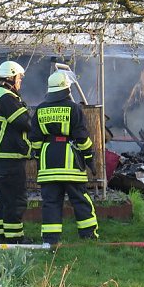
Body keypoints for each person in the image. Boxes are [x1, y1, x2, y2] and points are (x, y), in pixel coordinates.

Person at [30, 70, 98, 246]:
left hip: (48, 162)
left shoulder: (40, 109)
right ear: (67, 88)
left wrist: (39, 159)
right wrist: (89, 159)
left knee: (51, 202)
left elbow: (35, 141)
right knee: (80, 199)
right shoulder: (74, 108)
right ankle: (88, 236)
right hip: (70, 163)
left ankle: (50, 240)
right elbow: (82, 138)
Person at [0, 61, 32, 243]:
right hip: (9, 156)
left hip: (5, 156)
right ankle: (15, 239)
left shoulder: (4, 95)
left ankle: (4, 234)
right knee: (16, 198)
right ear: (11, 77)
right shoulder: (7, 97)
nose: (20, 81)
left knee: (6, 198)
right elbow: (23, 122)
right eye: (19, 78)